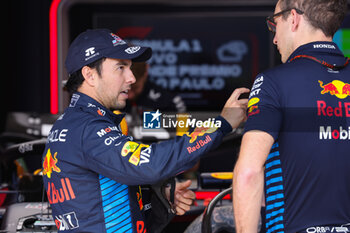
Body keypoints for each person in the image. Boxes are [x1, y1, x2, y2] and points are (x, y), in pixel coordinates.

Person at [42, 28, 249, 233]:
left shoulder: (77, 123)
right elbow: (149, 164)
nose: (131, 77)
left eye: (130, 68)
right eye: (120, 67)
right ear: (90, 75)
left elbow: (107, 201)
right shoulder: (87, 128)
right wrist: (220, 125)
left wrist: (159, 198)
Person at [232, 0, 349, 233]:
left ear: (293, 18)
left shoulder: (272, 83)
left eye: (275, 24)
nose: (274, 38)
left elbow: (248, 172)